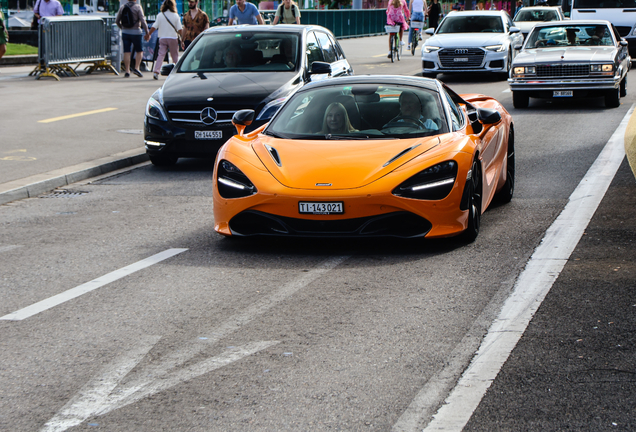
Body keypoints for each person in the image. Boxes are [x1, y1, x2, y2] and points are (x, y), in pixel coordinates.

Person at [145, 0, 183, 80]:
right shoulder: (175, 15)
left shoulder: (160, 15)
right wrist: (182, 38)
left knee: (161, 55)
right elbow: (179, 29)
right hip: (173, 38)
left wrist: (149, 34)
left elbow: (154, 26)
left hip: (162, 38)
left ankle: (156, 72)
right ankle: (177, 72)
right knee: (175, 56)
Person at [116, 0, 149, 78]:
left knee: (127, 51)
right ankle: (137, 68)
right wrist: (147, 32)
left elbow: (117, 21)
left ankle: (127, 71)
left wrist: (123, 28)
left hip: (125, 32)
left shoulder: (122, 7)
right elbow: (143, 21)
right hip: (136, 32)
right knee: (139, 51)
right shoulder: (138, 7)